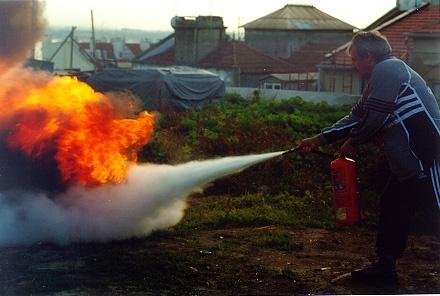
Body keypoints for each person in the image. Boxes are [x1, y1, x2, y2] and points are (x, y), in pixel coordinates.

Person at [297, 30, 440, 282]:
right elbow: (359, 114)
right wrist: (319, 138)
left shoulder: (389, 69)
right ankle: (385, 267)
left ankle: (385, 266)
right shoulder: (379, 77)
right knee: (392, 206)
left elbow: (375, 118)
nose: (353, 65)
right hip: (409, 164)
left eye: (354, 59)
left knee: (436, 213)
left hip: (430, 157)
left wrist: (353, 142)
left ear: (368, 56)